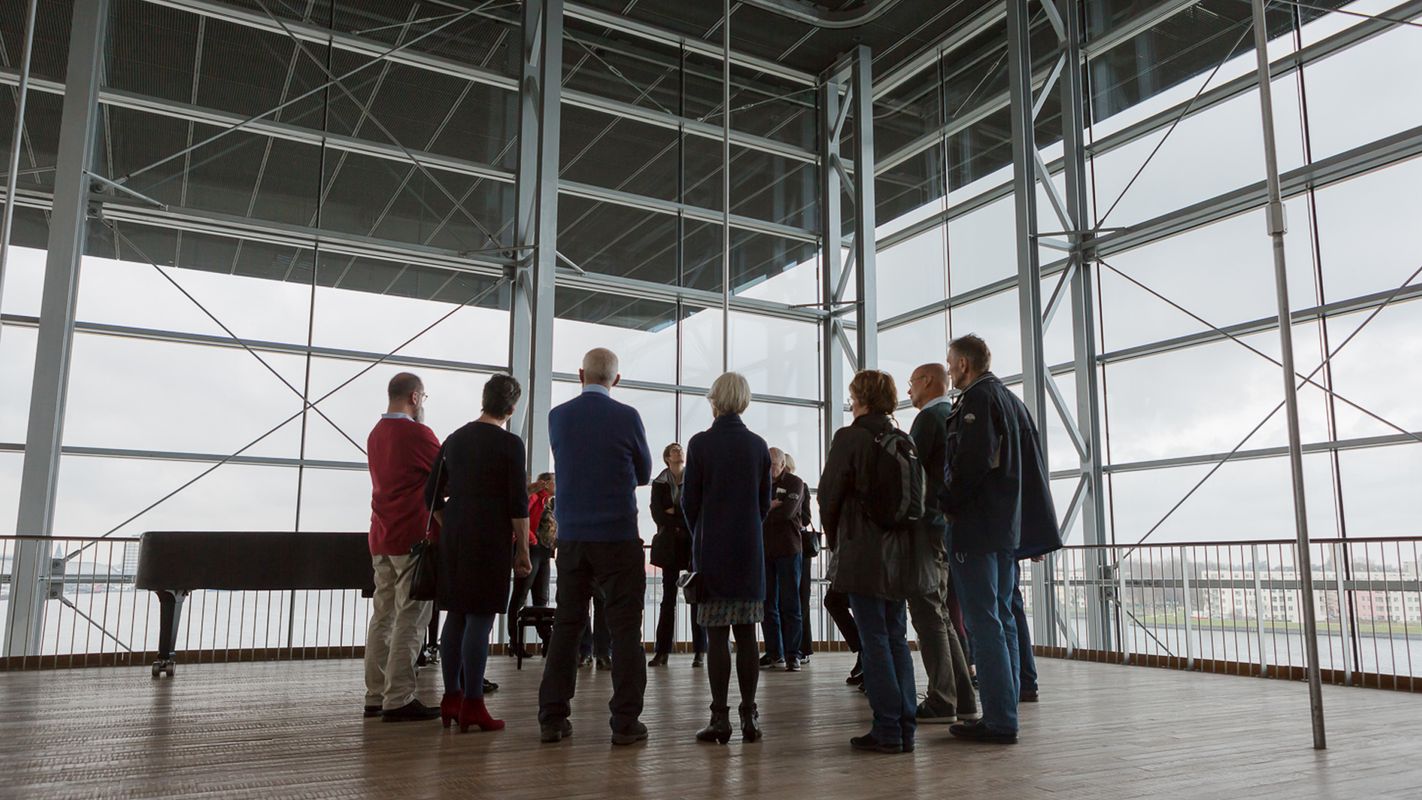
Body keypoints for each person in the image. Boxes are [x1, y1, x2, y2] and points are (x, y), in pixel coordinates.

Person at [940, 334, 1059, 745]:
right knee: (1003, 617)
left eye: (951, 362)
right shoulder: (1013, 401)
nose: (949, 369)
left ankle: (998, 719)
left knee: (983, 622)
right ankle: (1005, 711)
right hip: (1005, 529)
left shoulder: (977, 400)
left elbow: (971, 462)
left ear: (964, 364)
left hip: (976, 527)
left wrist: (946, 503)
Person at [538, 348, 653, 746]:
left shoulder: (558, 416)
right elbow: (643, 472)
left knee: (567, 627)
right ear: (616, 380)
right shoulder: (628, 417)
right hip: (618, 537)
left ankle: (552, 718)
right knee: (625, 630)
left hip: (572, 539)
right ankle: (625, 722)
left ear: (580, 374)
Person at [819, 370, 918, 754]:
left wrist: (835, 541)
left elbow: (828, 496)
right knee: (895, 638)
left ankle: (887, 728)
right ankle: (905, 728)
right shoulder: (902, 438)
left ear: (860, 398)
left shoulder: (850, 437)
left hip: (863, 551)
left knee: (873, 640)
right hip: (900, 552)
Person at [425, 374, 531, 733]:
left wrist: (452, 522)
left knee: (456, 615)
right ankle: (473, 703)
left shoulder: (454, 439)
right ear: (511, 409)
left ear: (484, 400)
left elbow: (430, 495)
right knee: (480, 619)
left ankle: (451, 698)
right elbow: (518, 503)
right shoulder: (510, 444)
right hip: (490, 536)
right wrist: (523, 550)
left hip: (455, 535)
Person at [681, 372, 772, 744]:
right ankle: (750, 716)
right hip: (749, 551)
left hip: (713, 551)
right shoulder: (758, 446)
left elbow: (689, 502)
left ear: (714, 400)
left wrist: (703, 532)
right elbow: (764, 504)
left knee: (716, 635)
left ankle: (719, 718)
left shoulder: (700, 444)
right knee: (747, 634)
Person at [363, 372, 441, 722]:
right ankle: (398, 698)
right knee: (411, 617)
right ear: (414, 397)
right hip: (412, 538)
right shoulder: (418, 435)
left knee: (383, 616)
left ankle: (375, 694)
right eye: (423, 397)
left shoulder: (375, 434)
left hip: (380, 536)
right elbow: (445, 476)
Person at [904, 363, 978, 725]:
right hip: (945, 526)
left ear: (928, 381)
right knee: (942, 613)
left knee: (926, 612)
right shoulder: (954, 416)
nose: (908, 391)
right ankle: (962, 697)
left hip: (925, 527)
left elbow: (910, 477)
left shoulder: (928, 420)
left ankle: (942, 698)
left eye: (912, 383)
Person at [649, 443, 707, 668]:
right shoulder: (659, 482)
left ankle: (700, 651)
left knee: (696, 597)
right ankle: (662, 651)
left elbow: (697, 509)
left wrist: (674, 514)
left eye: (680, 449)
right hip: (670, 545)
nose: (679, 452)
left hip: (691, 544)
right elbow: (657, 513)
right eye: (674, 450)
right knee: (668, 599)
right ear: (667, 457)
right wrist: (681, 518)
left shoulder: (694, 479)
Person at [760, 447, 805, 672]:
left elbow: (787, 512)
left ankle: (793, 654)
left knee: (790, 603)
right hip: (765, 550)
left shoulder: (795, 483)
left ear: (782, 465)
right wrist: (769, 506)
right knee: (767, 603)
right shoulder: (759, 482)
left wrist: (764, 510)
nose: (769, 470)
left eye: (773, 465)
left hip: (789, 549)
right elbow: (750, 510)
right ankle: (774, 652)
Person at [507, 473, 557, 659]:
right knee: (520, 594)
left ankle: (547, 640)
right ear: (546, 483)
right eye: (555, 481)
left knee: (541, 598)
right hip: (530, 549)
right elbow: (520, 518)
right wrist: (530, 539)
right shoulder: (534, 498)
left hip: (544, 552)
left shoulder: (549, 503)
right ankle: (515, 642)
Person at [788, 453, 817, 663]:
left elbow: (806, 518)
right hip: (784, 547)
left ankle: (803, 648)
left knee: (802, 598)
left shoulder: (801, 487)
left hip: (799, 547)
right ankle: (788, 647)